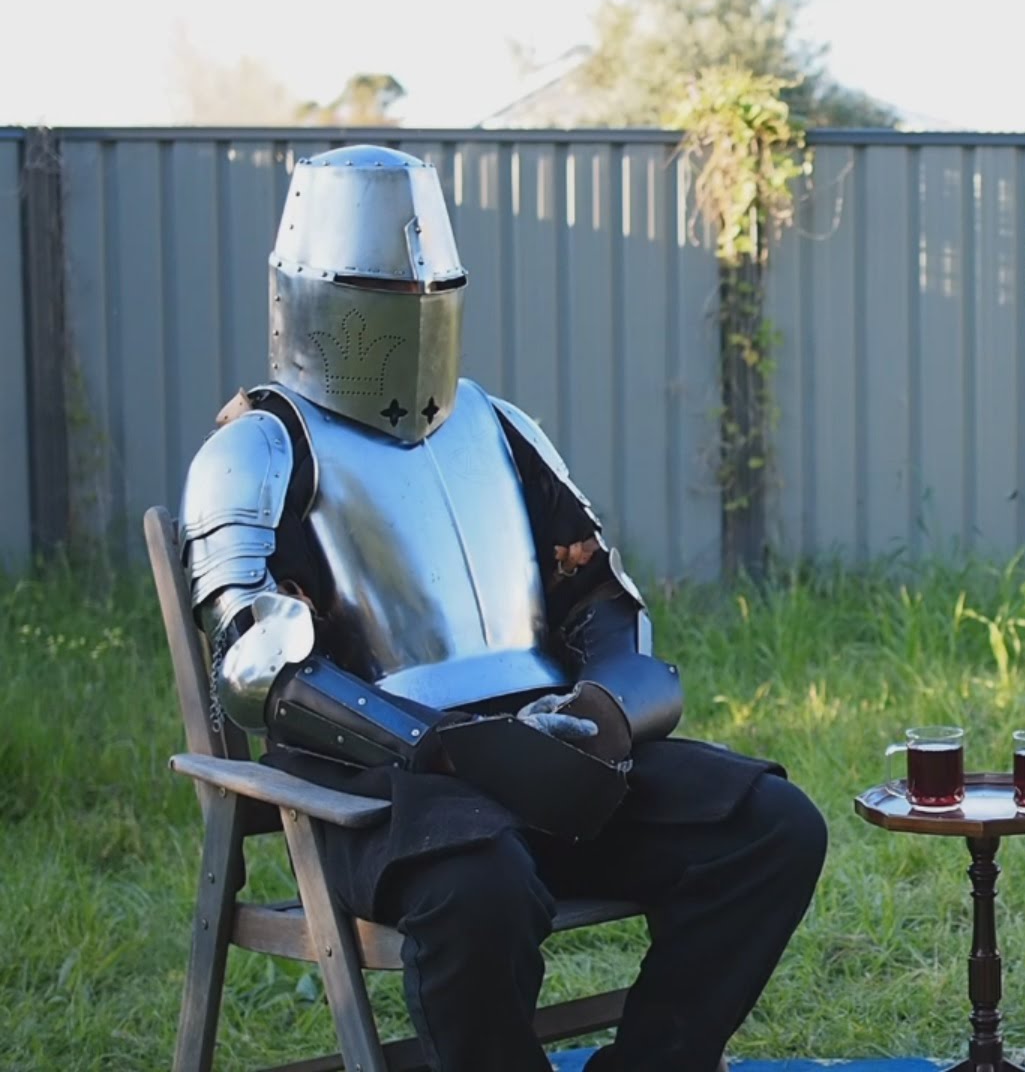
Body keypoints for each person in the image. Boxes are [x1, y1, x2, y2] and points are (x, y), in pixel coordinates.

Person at [179, 145, 826, 1072]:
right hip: (383, 791)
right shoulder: (255, 453)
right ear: (317, 294)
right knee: (479, 888)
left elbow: (600, 596)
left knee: (772, 827)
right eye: (382, 293)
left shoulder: (501, 428)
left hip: (550, 757)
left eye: (429, 291)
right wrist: (440, 746)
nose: (410, 313)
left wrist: (604, 711)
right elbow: (257, 669)